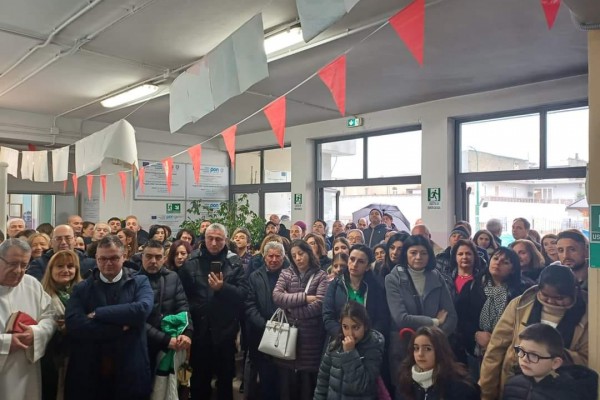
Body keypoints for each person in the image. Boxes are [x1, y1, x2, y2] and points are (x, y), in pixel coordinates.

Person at [478, 264, 588, 400]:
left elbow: (588, 359)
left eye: (559, 298)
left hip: (562, 390)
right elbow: (495, 349)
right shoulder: (521, 305)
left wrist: (549, 353)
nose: (550, 301)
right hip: (515, 384)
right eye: (545, 295)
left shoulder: (588, 314)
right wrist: (486, 392)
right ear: (538, 289)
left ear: (574, 292)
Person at [64, 235, 154, 400]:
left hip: (131, 369)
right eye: (102, 259)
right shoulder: (82, 288)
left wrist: (99, 313)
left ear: (124, 256)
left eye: (114, 258)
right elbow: (74, 324)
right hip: (92, 371)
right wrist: (119, 327)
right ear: (96, 259)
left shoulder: (139, 282)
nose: (108, 263)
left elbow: (142, 309)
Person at [178, 223, 248, 400]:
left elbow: (243, 296)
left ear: (225, 240)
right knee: (199, 382)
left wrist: (222, 288)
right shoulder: (191, 263)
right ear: (204, 239)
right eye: (210, 238)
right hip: (199, 332)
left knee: (225, 383)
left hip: (225, 333)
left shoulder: (235, 264)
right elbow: (182, 299)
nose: (214, 243)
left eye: (219, 239)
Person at [385, 235, 457, 386]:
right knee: (405, 390)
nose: (418, 257)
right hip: (403, 345)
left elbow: (451, 316)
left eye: (423, 253)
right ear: (406, 254)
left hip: (434, 347)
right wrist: (434, 322)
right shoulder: (393, 278)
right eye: (413, 252)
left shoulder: (436, 276)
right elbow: (401, 318)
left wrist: (434, 339)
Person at [456, 247, 525, 380]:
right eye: (495, 258)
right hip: (475, 350)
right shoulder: (472, 286)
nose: (498, 263)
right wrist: (475, 334)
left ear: (513, 269)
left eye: (505, 262)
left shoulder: (520, 292)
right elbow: (460, 317)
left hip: (507, 352)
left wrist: (497, 340)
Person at [0, 239, 57, 400]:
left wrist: (35, 332)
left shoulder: (31, 284)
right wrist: (5, 342)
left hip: (26, 370)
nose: (18, 270)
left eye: (24, 265)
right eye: (12, 264)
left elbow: (50, 316)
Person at [272, 239, 329, 400]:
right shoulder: (286, 273)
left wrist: (291, 309)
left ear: (309, 253)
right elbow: (277, 296)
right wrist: (304, 298)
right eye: (294, 255)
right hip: (288, 335)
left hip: (310, 338)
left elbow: (319, 304)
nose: (298, 258)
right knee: (287, 386)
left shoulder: (320, 275)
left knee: (307, 386)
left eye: (301, 254)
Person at [136, 240, 192, 380]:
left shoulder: (172, 277)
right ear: (141, 257)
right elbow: (136, 320)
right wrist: (165, 339)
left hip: (171, 344)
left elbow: (182, 307)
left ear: (164, 258)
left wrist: (187, 332)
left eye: (158, 257)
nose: (153, 261)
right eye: (148, 256)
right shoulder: (133, 280)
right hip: (141, 344)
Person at [502, 323, 598, 400]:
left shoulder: (569, 394)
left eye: (533, 355)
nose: (524, 359)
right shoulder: (512, 384)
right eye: (521, 351)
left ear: (555, 363)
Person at [314, 302, 385, 400]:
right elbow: (322, 382)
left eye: (356, 327)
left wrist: (350, 353)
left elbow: (361, 386)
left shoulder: (373, 347)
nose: (350, 333)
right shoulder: (335, 345)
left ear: (365, 326)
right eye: (345, 327)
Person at [245, 241, 287, 400]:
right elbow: (249, 304)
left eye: (278, 256)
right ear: (264, 257)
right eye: (271, 256)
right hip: (261, 333)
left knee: (283, 380)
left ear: (283, 258)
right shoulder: (255, 276)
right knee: (265, 378)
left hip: (286, 334)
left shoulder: (290, 275)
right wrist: (265, 325)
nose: (274, 259)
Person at [323, 245, 389, 342]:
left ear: (367, 267)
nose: (354, 264)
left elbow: (382, 318)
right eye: (352, 259)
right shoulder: (336, 283)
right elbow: (327, 315)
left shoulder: (376, 287)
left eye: (361, 261)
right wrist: (343, 336)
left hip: (368, 342)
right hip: (339, 339)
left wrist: (367, 338)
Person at [40, 250, 82, 400]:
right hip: (50, 357)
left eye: (70, 266)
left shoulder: (84, 292)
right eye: (60, 266)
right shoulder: (41, 293)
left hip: (76, 355)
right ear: (51, 269)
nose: (66, 270)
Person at [396, 326, 480, 400]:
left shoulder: (461, 387)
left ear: (440, 351)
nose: (420, 354)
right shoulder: (405, 382)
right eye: (416, 348)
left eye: (427, 349)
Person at [28, 225, 95, 281]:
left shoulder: (90, 264)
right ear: (51, 242)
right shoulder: (39, 264)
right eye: (58, 238)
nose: (63, 242)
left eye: (67, 238)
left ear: (74, 240)